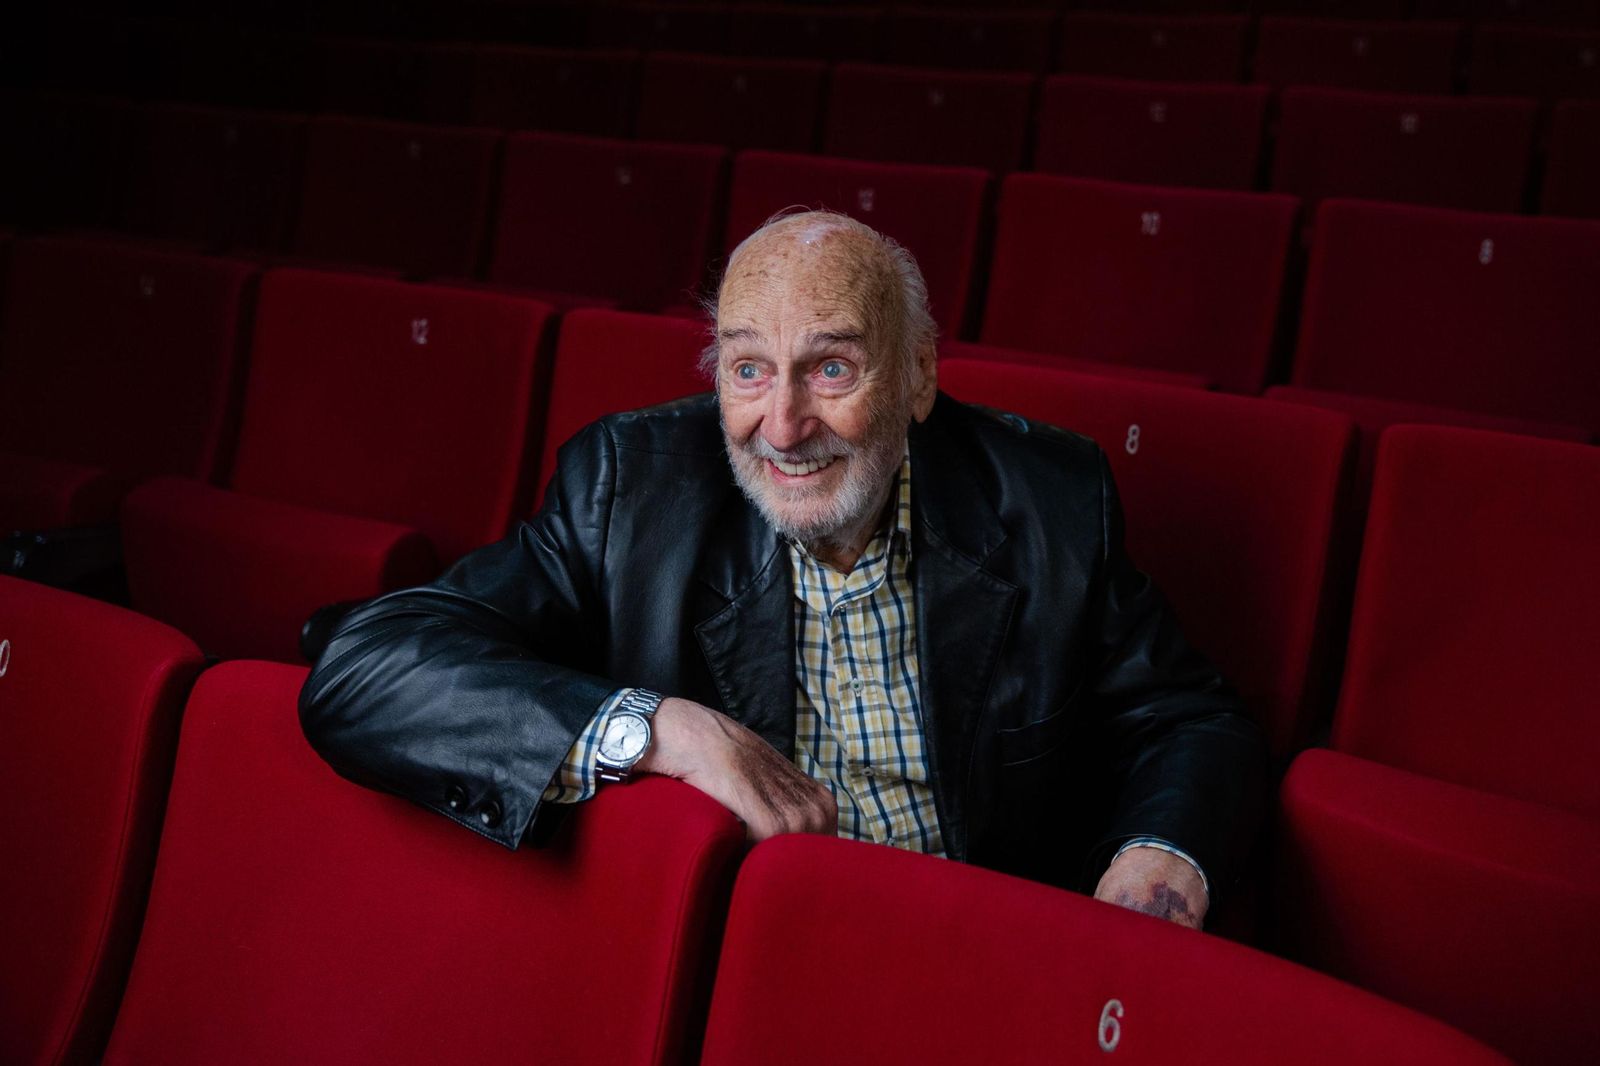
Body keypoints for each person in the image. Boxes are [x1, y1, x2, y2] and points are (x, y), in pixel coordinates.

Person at [300, 210, 1265, 930]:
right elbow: (365, 664)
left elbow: (1186, 720)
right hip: (749, 952)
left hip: (978, 949)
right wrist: (661, 730)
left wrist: (1159, 854)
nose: (785, 426)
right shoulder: (626, 492)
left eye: (833, 369)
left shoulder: (1052, 500)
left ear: (920, 375)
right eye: (748, 368)